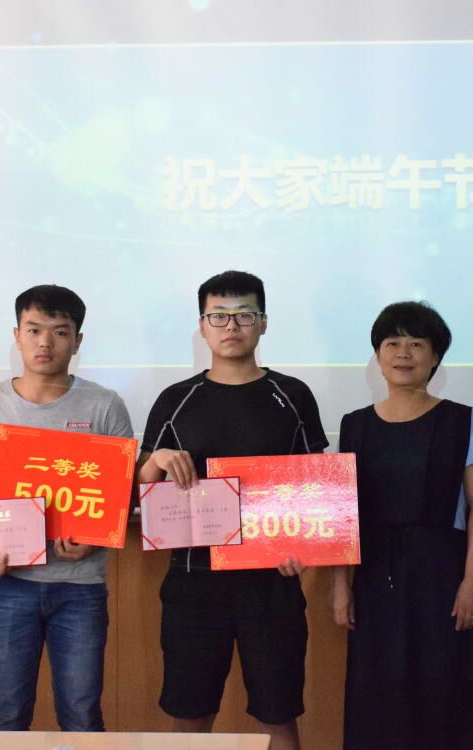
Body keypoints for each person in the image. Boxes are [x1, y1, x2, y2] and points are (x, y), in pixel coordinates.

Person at [137, 270, 328, 750]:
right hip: (193, 582)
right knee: (190, 716)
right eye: (218, 316)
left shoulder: (293, 395)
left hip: (272, 583)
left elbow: (316, 485)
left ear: (263, 323)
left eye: (244, 315)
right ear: (202, 326)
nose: (231, 326)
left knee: (279, 716)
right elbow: (141, 485)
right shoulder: (176, 399)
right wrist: (156, 462)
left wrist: (303, 547)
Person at [0, 284, 133, 731]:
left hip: (80, 587)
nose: (45, 342)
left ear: (77, 340)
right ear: (17, 335)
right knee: (6, 716)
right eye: (34, 330)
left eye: (60, 331)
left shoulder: (104, 405)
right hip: (7, 585)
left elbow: (120, 498)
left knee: (82, 716)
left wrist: (94, 541)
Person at [332, 301, 473, 750]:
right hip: (374, 580)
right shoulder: (354, 426)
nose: (404, 353)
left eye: (417, 344)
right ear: (378, 355)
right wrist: (341, 585)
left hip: (442, 580)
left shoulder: (460, 420)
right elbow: (344, 513)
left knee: (443, 694)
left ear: (435, 357)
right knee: (378, 698)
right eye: (392, 343)